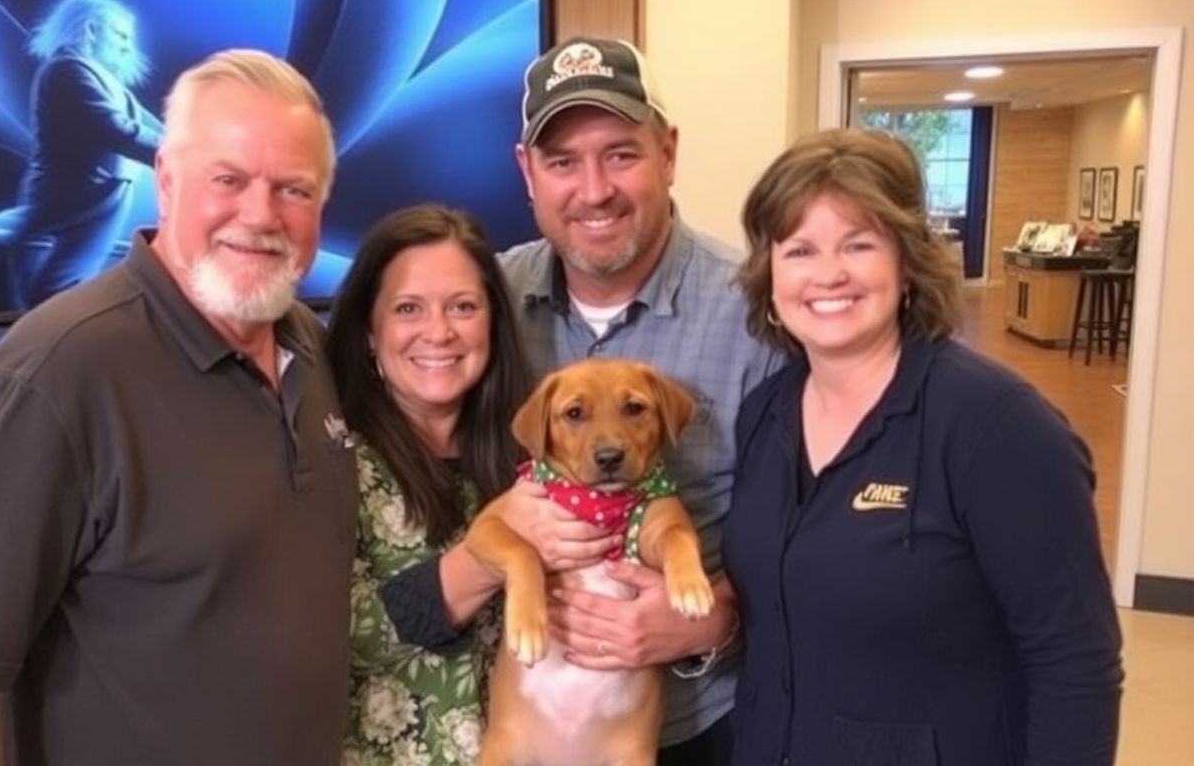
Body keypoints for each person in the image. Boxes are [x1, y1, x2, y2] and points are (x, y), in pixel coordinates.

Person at [0, 49, 359, 765]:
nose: (260, 214)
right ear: (166, 182)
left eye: (293, 189)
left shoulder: (315, 352)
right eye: (227, 179)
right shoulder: (52, 376)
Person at [380, 37, 780, 764]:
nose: (593, 189)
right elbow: (398, 580)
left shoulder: (758, 314)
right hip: (514, 710)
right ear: (526, 172)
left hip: (692, 721)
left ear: (668, 152)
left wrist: (713, 620)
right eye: (563, 161)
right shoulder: (481, 303)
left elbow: (808, 540)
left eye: (621, 154)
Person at [724, 128, 1123, 765]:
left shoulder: (997, 426)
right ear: (769, 274)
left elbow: (1076, 664)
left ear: (906, 263)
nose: (829, 274)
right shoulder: (764, 414)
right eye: (799, 250)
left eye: (859, 244)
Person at [326, 204, 532, 764]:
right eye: (408, 308)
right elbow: (330, 635)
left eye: (463, 307)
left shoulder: (534, 458)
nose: (438, 332)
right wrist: (485, 562)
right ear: (371, 330)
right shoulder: (330, 457)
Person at [8, 0, 163, 309]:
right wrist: (183, 153)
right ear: (92, 29)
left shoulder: (97, 76)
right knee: (56, 292)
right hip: (72, 198)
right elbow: (117, 129)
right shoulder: (70, 70)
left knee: (68, 289)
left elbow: (147, 127)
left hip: (96, 197)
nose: (126, 47)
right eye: (120, 35)